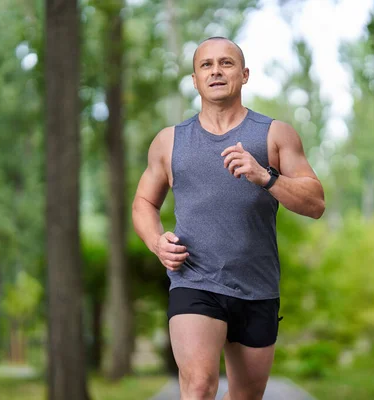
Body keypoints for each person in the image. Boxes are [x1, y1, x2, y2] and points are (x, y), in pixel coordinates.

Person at [132, 36, 325, 400]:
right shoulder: (169, 142)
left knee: (247, 395)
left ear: (245, 74)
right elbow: (143, 202)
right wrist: (157, 243)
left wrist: (266, 176)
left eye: (226, 63)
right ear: (194, 79)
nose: (216, 71)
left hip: (258, 286)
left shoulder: (275, 134)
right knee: (199, 386)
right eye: (206, 65)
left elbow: (315, 202)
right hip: (194, 280)